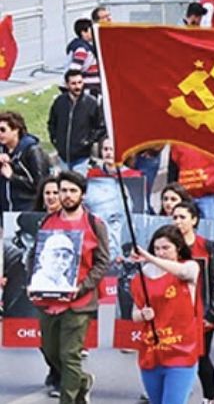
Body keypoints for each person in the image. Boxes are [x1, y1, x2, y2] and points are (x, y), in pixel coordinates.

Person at [29, 171, 110, 404]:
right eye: (63, 190)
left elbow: (102, 262)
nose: (67, 195)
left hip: (79, 302)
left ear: (82, 194)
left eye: (73, 190)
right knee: (51, 352)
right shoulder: (48, 221)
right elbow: (35, 255)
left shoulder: (94, 223)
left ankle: (69, 399)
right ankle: (82, 382)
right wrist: (32, 282)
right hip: (48, 299)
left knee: (70, 355)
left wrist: (83, 287)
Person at [130, 225, 202, 404]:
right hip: (151, 351)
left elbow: (183, 272)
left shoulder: (190, 267)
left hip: (181, 353)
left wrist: (149, 257)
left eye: (166, 248)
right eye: (156, 248)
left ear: (178, 248)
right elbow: (134, 314)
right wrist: (142, 314)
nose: (160, 253)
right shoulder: (143, 275)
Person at [170, 201, 214, 404]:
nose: (178, 222)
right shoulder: (168, 247)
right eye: (175, 217)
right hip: (174, 313)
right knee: (173, 358)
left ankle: (210, 396)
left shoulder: (206, 246)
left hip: (201, 313)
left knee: (201, 356)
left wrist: (212, 314)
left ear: (194, 220)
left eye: (182, 217)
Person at [47, 69, 103, 175]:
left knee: (78, 182)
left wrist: (88, 141)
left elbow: (100, 126)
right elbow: (52, 123)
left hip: (82, 157)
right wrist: (55, 139)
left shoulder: (91, 103)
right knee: (65, 182)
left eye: (80, 82)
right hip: (63, 157)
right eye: (73, 83)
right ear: (67, 84)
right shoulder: (59, 102)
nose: (77, 86)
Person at [0, 111, 52, 212]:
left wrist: (12, 177)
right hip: (5, 208)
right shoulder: (2, 150)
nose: (0, 134)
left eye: (3, 130)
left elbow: (40, 184)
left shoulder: (32, 150)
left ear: (16, 130)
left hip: (28, 208)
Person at [65, 18, 101, 96]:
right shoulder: (82, 50)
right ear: (83, 33)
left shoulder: (85, 47)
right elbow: (74, 70)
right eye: (91, 30)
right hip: (89, 87)